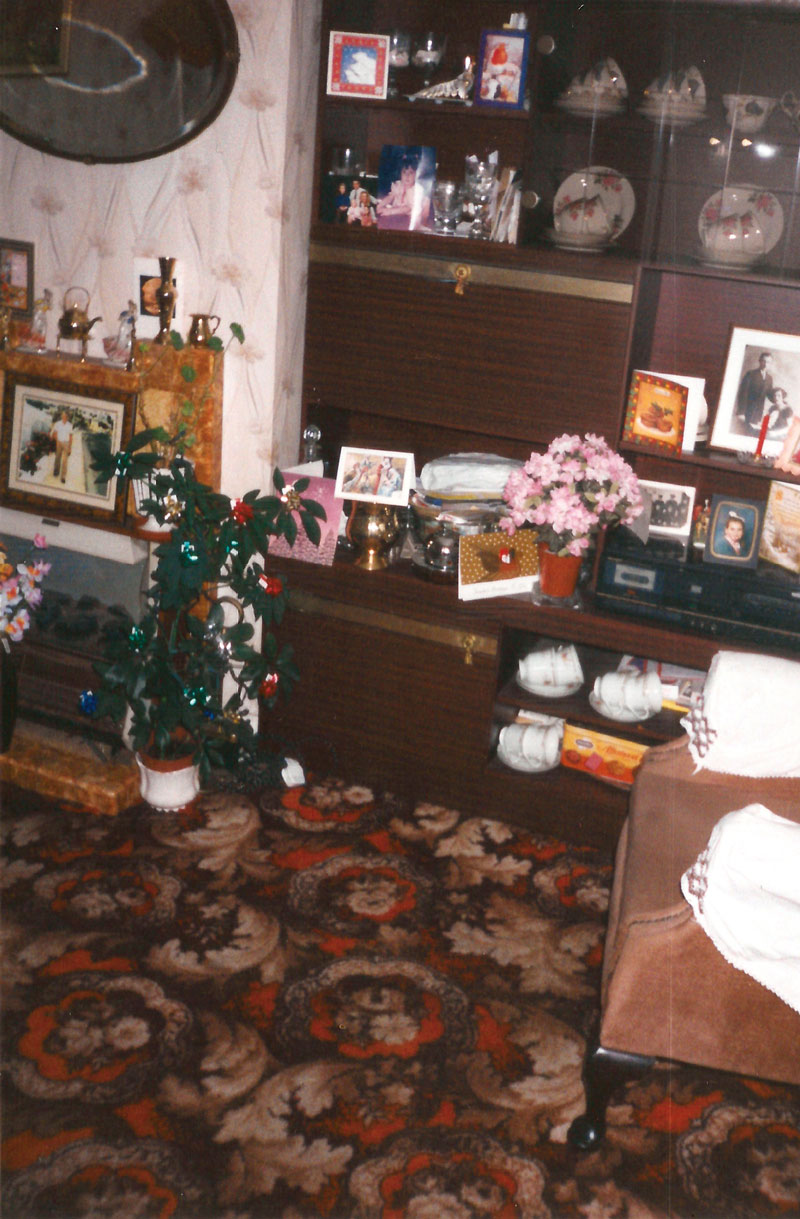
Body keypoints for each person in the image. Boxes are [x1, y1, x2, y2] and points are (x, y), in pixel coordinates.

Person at [376, 154, 431, 230]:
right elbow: (390, 197)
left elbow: (408, 208)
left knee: (426, 203)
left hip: (411, 217)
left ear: (416, 175)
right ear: (400, 173)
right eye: (404, 172)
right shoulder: (398, 185)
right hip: (397, 213)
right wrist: (379, 206)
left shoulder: (416, 190)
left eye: (411, 173)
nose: (407, 176)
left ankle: (421, 226)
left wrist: (390, 211)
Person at [735, 351, 774, 430]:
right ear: (760, 361)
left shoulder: (770, 378)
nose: (766, 364)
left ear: (771, 364)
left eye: (768, 362)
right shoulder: (751, 374)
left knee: (753, 433)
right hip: (747, 411)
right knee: (744, 431)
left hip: (759, 412)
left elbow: (770, 395)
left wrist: (780, 400)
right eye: (764, 361)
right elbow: (743, 393)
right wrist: (741, 412)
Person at [50, 408, 73, 484]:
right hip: (59, 442)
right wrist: (56, 440)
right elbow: (54, 433)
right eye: (63, 416)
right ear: (61, 416)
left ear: (67, 417)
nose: (64, 417)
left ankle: (63, 477)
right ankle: (56, 472)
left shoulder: (70, 425)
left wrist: (70, 447)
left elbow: (70, 437)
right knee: (57, 458)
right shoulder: (57, 424)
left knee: (65, 461)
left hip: (66, 443)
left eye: (65, 416)